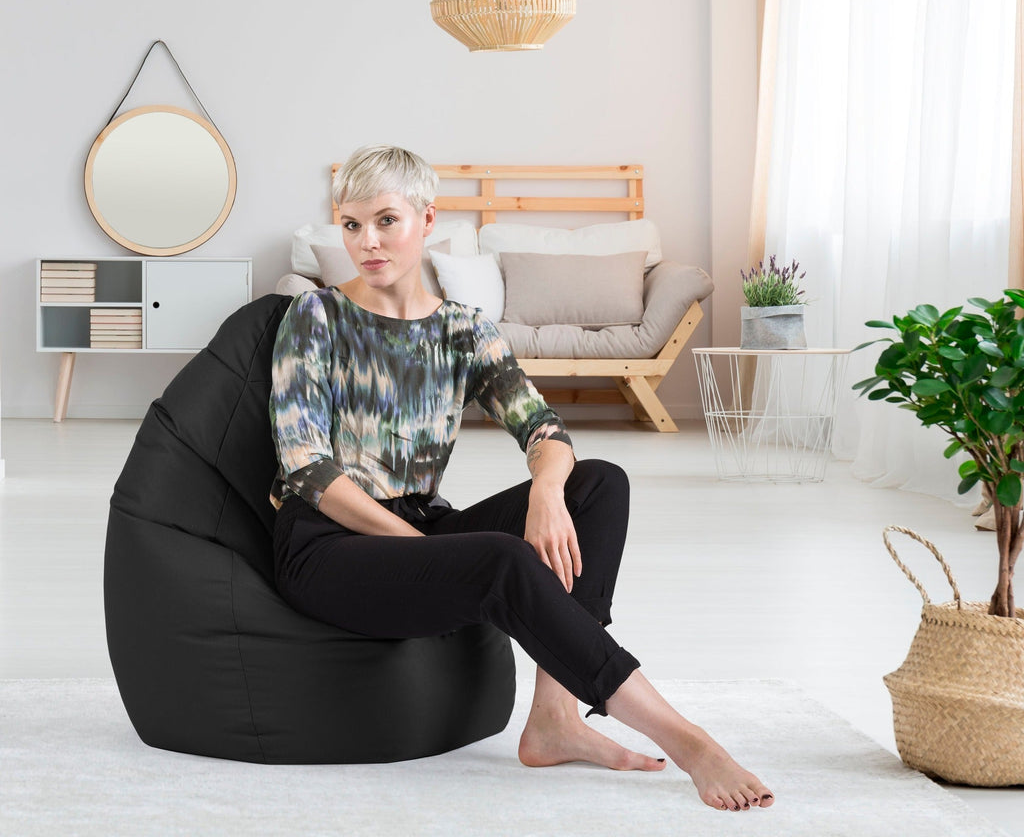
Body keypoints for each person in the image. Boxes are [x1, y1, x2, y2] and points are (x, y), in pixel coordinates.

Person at [269, 144, 774, 812]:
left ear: (427, 219)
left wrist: (545, 489)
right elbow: (307, 466)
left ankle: (554, 718)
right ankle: (689, 742)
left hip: (419, 518)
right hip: (327, 543)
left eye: (386, 220)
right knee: (501, 561)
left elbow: (545, 432)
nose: (367, 241)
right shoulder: (316, 318)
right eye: (352, 224)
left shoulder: (463, 330)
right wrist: (423, 553)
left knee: (598, 484)